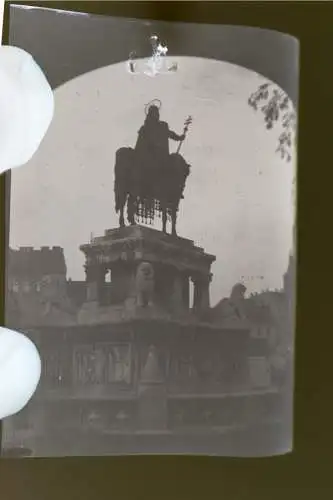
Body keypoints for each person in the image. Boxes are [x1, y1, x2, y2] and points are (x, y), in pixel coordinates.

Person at [135, 104, 185, 183]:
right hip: (153, 157)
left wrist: (179, 137)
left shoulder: (162, 126)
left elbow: (170, 134)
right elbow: (139, 144)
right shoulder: (146, 128)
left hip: (161, 156)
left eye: (157, 113)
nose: (157, 115)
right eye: (155, 113)